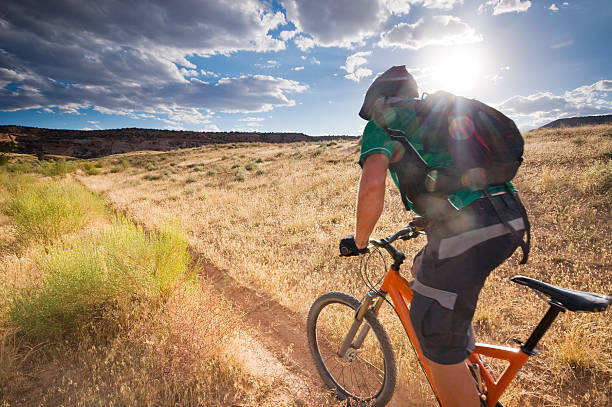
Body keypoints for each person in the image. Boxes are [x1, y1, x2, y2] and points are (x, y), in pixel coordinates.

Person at [339, 66, 529, 407]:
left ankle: (453, 363)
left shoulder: (383, 123)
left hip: (470, 226)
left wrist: (360, 241)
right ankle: (469, 371)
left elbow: (371, 186)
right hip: (511, 216)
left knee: (433, 328)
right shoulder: (435, 114)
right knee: (425, 270)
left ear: (377, 101)